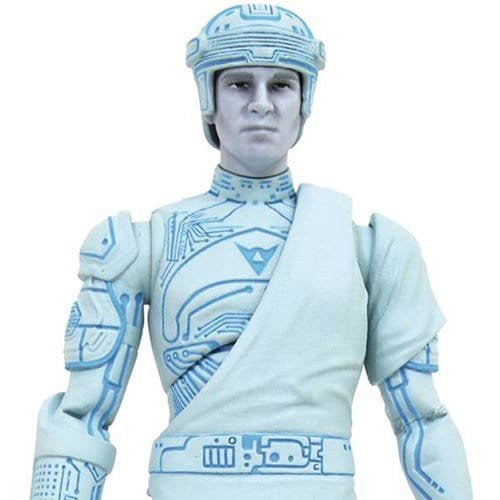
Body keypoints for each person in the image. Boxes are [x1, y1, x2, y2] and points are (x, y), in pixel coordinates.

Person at [30, 4, 472, 499]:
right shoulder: (143, 244)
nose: (261, 104)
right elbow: (81, 418)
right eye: (240, 84)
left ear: (304, 99)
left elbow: (422, 419)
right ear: (209, 97)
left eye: (280, 85)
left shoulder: (371, 249)